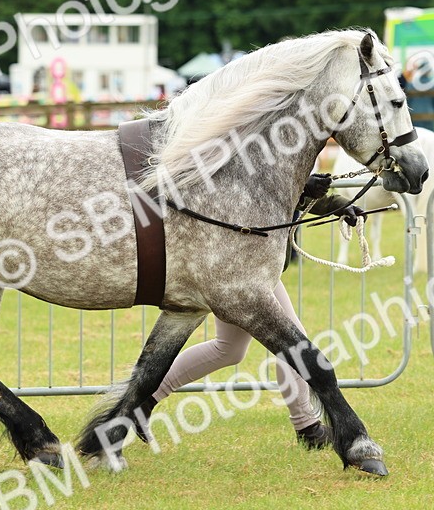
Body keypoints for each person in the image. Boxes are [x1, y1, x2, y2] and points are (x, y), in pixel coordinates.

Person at [134, 175, 364, 450]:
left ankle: (143, 401)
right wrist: (308, 193)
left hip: (247, 266)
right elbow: (261, 191)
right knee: (294, 343)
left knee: (229, 349)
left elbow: (284, 190)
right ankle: (308, 427)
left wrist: (337, 204)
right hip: (241, 266)